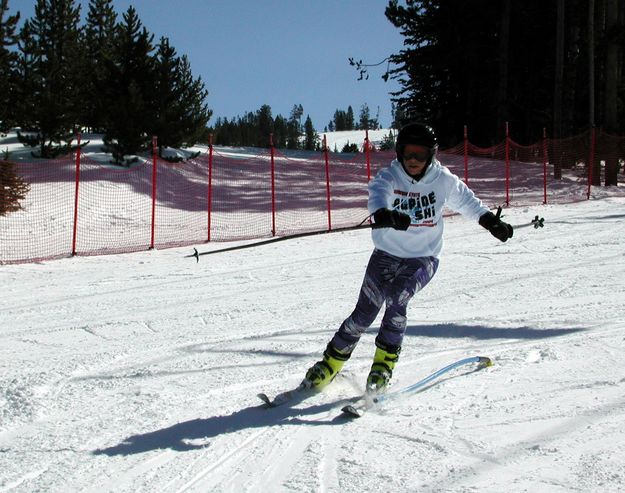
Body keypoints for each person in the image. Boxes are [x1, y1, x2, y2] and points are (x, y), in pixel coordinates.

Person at [302, 122, 513, 394]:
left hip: (422, 258)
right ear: (399, 153)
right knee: (364, 312)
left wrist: (489, 222)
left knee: (397, 296)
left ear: (431, 155)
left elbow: (467, 202)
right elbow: (378, 196)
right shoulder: (389, 177)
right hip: (385, 256)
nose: (413, 160)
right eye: (408, 153)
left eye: (420, 154)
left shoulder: (443, 180)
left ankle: (383, 365)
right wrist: (385, 215)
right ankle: (330, 364)